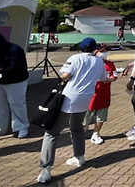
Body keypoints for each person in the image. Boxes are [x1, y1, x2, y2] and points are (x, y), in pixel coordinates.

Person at [37, 38, 107, 183]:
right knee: (77, 128)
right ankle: (79, 157)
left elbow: (65, 76)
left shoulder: (75, 58)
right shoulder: (99, 61)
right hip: (85, 98)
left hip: (68, 97)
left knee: (52, 132)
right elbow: (103, 78)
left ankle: (46, 169)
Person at [83, 44, 117, 145]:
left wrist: (107, 80)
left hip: (104, 94)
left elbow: (114, 76)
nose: (104, 53)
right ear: (96, 52)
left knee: (101, 115)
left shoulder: (110, 64)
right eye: (102, 51)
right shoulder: (90, 63)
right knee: (86, 115)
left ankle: (96, 133)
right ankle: (82, 131)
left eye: (106, 51)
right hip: (91, 94)